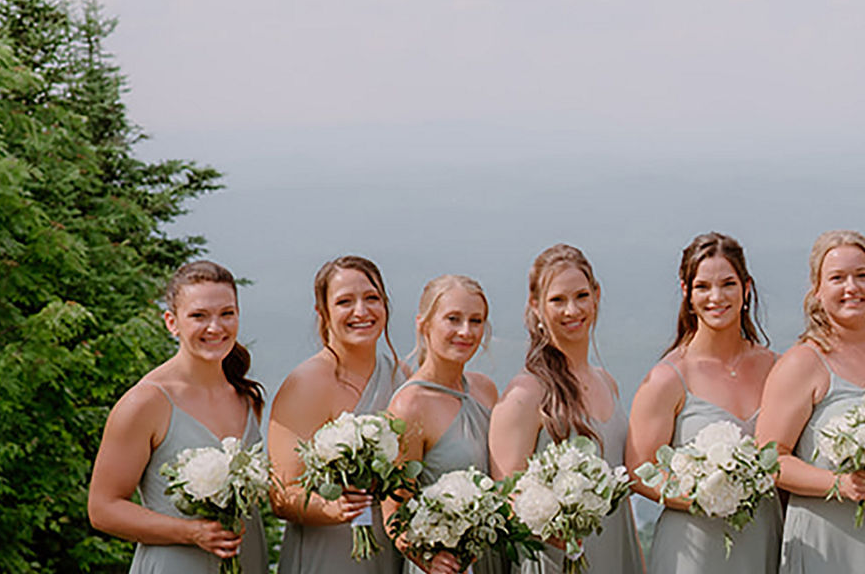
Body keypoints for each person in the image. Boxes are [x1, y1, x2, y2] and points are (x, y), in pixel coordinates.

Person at [88, 260, 270, 574]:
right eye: (199, 316)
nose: (216, 327)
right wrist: (192, 533)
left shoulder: (246, 397)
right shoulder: (145, 402)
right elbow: (103, 509)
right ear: (172, 322)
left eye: (227, 314)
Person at [760, 230, 865, 573]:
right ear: (818, 291)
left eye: (863, 276)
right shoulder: (802, 363)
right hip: (828, 542)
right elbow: (770, 459)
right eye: (837, 278)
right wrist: (839, 483)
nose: (852, 287)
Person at [630, 232, 784, 572]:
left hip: (762, 540)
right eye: (702, 287)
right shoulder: (666, 378)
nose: (716, 297)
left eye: (727, 284)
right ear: (687, 293)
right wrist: (706, 496)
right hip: (693, 549)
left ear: (746, 288)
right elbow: (640, 472)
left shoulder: (777, 368)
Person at [489, 244, 643, 573]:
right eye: (557, 300)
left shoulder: (607, 382)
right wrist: (552, 524)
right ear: (536, 305)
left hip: (615, 550)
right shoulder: (525, 394)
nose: (572, 310)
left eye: (581, 296)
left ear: (597, 295)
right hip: (556, 558)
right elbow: (505, 497)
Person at [270, 256, 408, 574]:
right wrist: (334, 509)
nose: (361, 311)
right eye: (345, 301)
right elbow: (281, 494)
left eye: (372, 298)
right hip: (329, 551)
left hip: (391, 546)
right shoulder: (305, 384)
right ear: (323, 313)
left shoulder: (402, 378)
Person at [383, 275, 504, 574]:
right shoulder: (409, 406)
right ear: (423, 324)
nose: (466, 331)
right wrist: (429, 560)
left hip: (494, 557)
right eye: (453, 319)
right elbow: (393, 513)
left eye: (476, 321)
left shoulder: (485, 389)